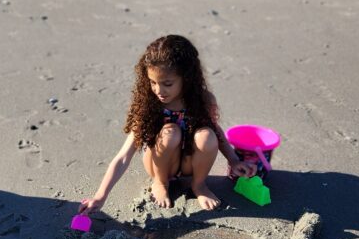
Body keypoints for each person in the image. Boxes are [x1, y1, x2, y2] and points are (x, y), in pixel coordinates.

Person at [79, 35, 256, 214]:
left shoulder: (203, 100)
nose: (158, 90)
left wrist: (233, 160)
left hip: (189, 164)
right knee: (171, 133)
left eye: (167, 84)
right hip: (159, 163)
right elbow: (124, 156)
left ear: (186, 78)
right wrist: (100, 197)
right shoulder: (149, 103)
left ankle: (199, 185)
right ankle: (161, 183)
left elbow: (217, 132)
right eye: (153, 82)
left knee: (207, 136)